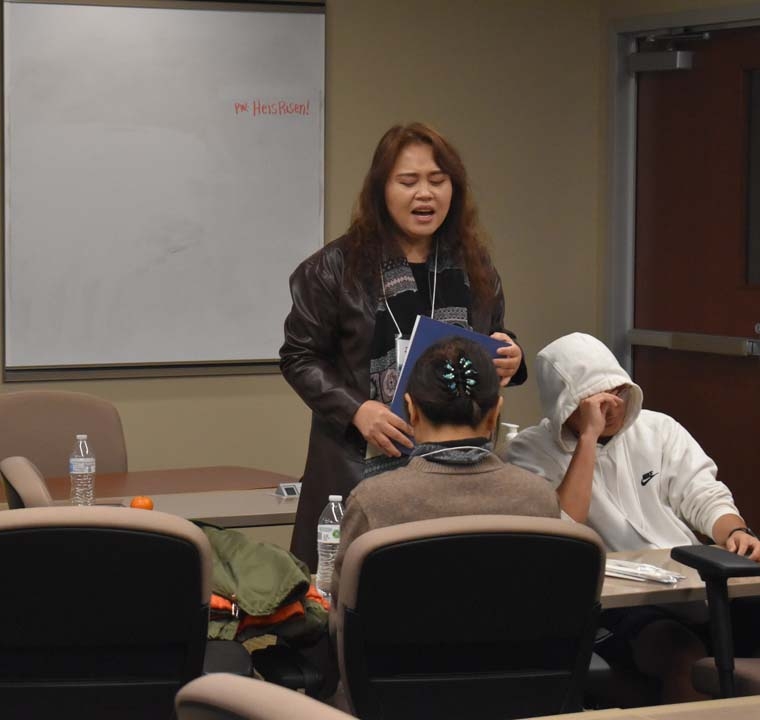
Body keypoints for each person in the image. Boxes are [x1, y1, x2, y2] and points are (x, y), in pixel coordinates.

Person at [280, 122, 526, 569]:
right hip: (359, 464)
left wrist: (511, 354)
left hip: (461, 471)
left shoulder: (474, 265)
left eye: (437, 180)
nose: (424, 194)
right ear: (381, 189)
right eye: (408, 181)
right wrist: (357, 409)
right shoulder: (333, 267)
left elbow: (495, 335)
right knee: (361, 588)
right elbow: (299, 356)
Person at [505, 332, 760, 703]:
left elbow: (702, 493)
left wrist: (735, 530)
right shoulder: (529, 451)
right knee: (681, 653)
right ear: (564, 406)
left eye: (619, 394)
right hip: (613, 601)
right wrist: (588, 437)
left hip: (688, 581)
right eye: (596, 402)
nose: (612, 408)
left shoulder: (659, 429)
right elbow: (564, 528)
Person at [333, 338, 558, 590]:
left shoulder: (372, 502)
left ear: (411, 410)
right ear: (495, 413)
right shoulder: (540, 499)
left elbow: (344, 606)